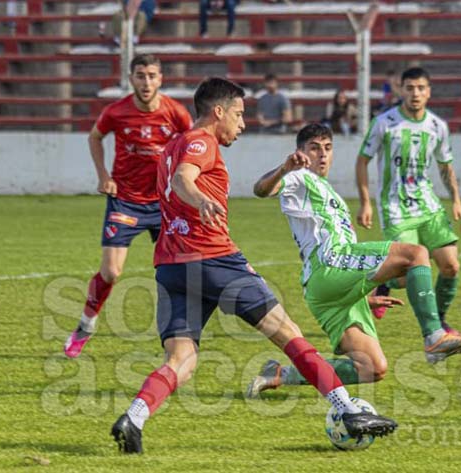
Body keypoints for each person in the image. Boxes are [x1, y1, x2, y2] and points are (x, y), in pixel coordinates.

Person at [109, 78, 398, 454]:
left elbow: (176, 177)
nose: (242, 124)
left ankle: (134, 416)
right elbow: (184, 179)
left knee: (182, 359)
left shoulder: (170, 147)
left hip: (171, 266)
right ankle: (347, 411)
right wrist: (200, 201)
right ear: (218, 112)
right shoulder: (201, 141)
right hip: (213, 259)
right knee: (288, 332)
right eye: (239, 114)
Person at [246, 124, 461, 398]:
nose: (322, 154)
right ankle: (434, 337)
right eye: (314, 148)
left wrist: (364, 293)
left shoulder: (328, 191)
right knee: (415, 253)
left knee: (372, 367)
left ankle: (281, 373)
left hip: (325, 289)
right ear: (300, 152)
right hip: (331, 262)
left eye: (327, 148)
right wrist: (284, 168)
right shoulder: (298, 177)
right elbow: (261, 189)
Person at [63, 54, 193, 359]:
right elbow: (95, 137)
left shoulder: (176, 113)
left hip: (164, 203)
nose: (146, 82)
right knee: (110, 272)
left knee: (177, 272)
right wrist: (103, 175)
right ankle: (86, 325)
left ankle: (178, 340)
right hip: (126, 200)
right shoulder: (117, 111)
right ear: (131, 78)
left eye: (151, 75)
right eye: (140, 75)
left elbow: (192, 144)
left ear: (161, 78)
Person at [356, 67, 461, 333]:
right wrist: (365, 202)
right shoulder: (384, 123)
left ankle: (439, 319)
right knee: (412, 273)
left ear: (428, 92)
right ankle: (382, 283)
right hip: (396, 209)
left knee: (451, 266)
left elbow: (445, 166)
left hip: (429, 207)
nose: (415, 93)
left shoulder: (437, 126)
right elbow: (362, 161)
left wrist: (457, 201)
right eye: (410, 88)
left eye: (420, 88)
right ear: (401, 91)